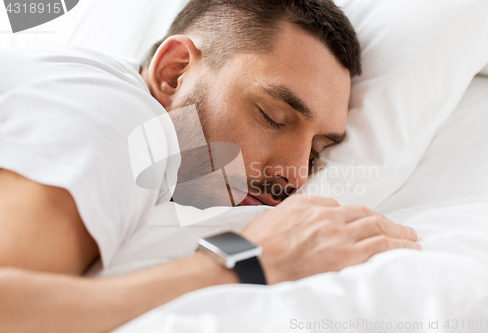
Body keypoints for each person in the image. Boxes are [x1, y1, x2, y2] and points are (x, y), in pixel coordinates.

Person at [0, 0, 421, 332]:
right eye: (272, 117)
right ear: (174, 72)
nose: (294, 176)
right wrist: (240, 263)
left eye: (316, 152)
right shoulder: (117, 119)